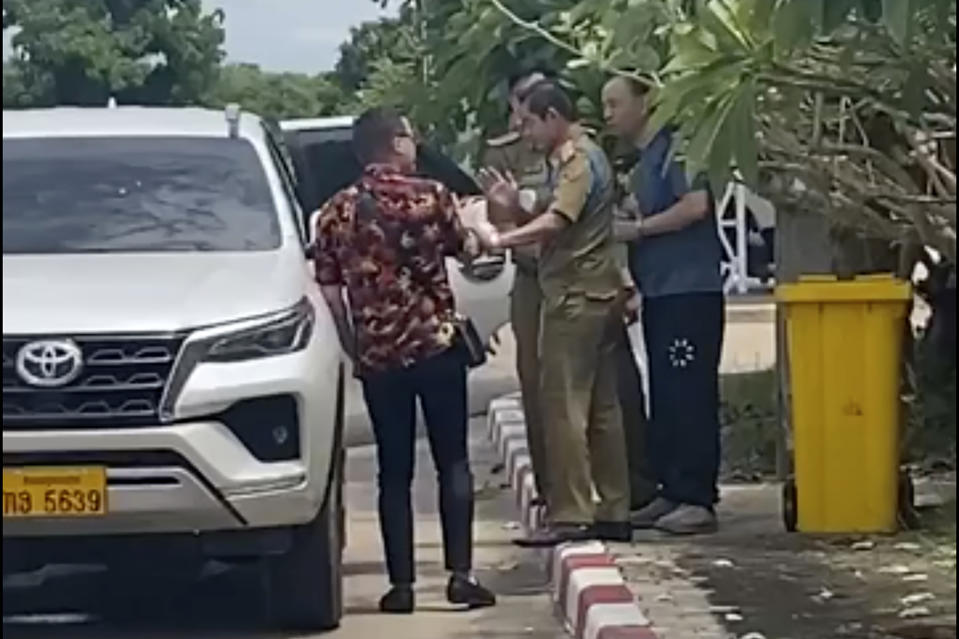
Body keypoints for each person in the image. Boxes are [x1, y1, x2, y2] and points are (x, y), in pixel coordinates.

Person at [313, 107, 497, 613]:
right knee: (451, 460)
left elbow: (330, 294)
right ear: (395, 143)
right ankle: (461, 577)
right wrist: (481, 227)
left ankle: (402, 587)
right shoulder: (433, 197)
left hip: (379, 356)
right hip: (435, 346)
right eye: (412, 137)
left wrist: (356, 347)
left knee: (393, 472)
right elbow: (468, 252)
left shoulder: (336, 211)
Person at [477, 82, 631, 546]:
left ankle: (571, 514)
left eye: (528, 123)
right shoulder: (577, 159)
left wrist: (501, 239)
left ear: (551, 116)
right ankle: (612, 507)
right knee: (603, 408)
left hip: (573, 298)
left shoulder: (579, 161)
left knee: (562, 407)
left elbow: (558, 221)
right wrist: (511, 209)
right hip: (593, 294)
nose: (523, 134)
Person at [602, 75, 725, 535]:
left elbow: (696, 205)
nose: (609, 114)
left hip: (690, 289)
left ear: (647, 101)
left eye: (616, 103)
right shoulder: (644, 160)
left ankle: (697, 495)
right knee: (669, 392)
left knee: (689, 391)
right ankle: (672, 489)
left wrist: (639, 230)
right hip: (662, 288)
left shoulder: (678, 148)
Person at [479, 70, 552, 509]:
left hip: (580, 276)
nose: (520, 125)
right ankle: (552, 490)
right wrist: (519, 218)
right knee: (537, 387)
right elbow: (500, 219)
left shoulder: (579, 152)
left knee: (602, 391)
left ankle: (625, 489)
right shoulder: (504, 155)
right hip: (533, 278)